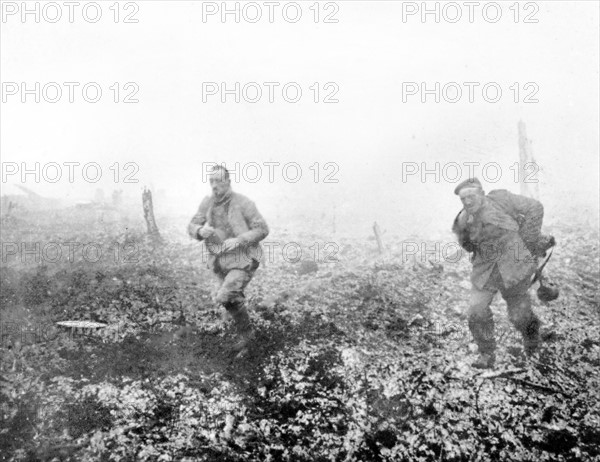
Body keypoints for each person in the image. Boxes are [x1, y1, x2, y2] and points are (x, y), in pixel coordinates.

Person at [452, 178, 550, 369]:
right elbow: (465, 242)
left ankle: (532, 339)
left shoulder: (501, 199)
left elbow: (535, 207)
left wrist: (528, 241)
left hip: (514, 263)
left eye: (471, 196)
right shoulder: (463, 219)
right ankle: (487, 353)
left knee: (518, 313)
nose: (468, 202)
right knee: (476, 310)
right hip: (486, 269)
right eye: (463, 199)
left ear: (481, 193)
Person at [188, 165, 269, 353]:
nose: (214, 185)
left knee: (225, 296)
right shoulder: (207, 203)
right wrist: (200, 230)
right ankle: (243, 338)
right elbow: (192, 225)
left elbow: (262, 229)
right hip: (220, 261)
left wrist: (240, 239)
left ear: (228, 182)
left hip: (244, 258)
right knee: (230, 301)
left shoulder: (243, 202)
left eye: (218, 181)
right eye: (211, 181)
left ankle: (249, 337)